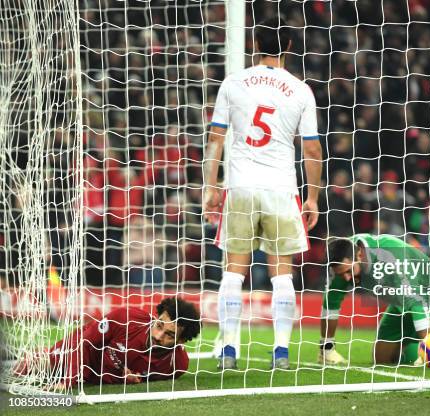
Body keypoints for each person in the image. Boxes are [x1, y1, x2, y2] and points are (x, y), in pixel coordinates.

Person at [204, 16, 322, 370]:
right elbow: (312, 150)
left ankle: (229, 351)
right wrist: (313, 197)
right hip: (281, 189)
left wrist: (211, 186)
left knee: (233, 272)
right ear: (288, 45)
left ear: (254, 43)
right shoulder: (300, 90)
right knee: (282, 274)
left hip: (240, 187)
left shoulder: (233, 83)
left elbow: (215, 141)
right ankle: (281, 352)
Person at [319, 234, 430, 366]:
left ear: (359, 254)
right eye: (341, 274)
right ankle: (412, 351)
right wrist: (327, 348)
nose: (346, 278)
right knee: (381, 359)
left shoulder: (391, 255)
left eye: (348, 271)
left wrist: (428, 343)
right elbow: (330, 304)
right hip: (401, 303)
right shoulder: (340, 262)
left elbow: (416, 300)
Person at [14, 297, 200, 388]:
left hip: (98, 377)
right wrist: (68, 380)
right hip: (77, 353)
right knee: (30, 366)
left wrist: (132, 378)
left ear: (181, 340)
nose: (158, 336)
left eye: (169, 334)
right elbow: (84, 342)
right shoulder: (127, 318)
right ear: (156, 317)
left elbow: (142, 375)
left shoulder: (178, 364)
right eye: (159, 325)